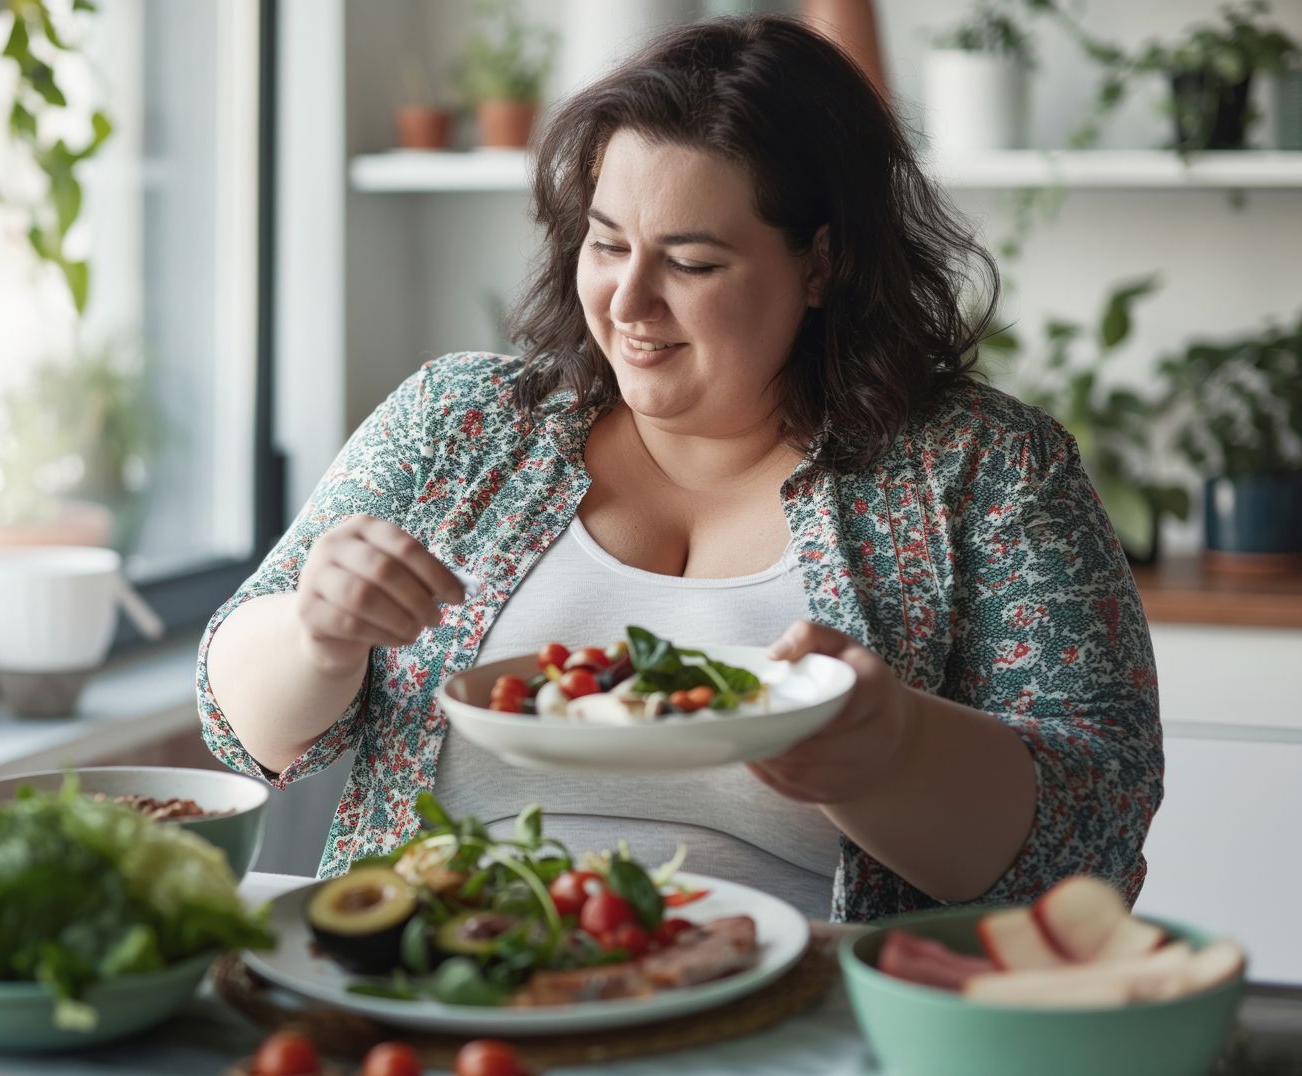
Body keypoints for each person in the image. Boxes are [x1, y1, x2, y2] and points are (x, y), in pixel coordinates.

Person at [196, 15, 1162, 921]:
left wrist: (891, 750)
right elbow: (237, 726)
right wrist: (319, 633)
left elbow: (1097, 831)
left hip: (800, 1016)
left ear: (821, 264)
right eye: (607, 243)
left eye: (693, 264)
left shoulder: (985, 470)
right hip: (433, 986)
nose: (629, 302)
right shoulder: (459, 422)